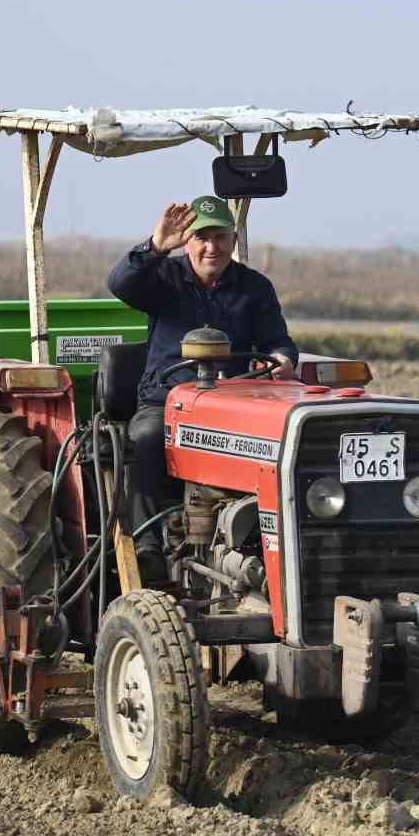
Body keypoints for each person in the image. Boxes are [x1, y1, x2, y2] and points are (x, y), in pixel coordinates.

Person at [107, 196, 298, 582]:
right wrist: (156, 246)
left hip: (233, 406)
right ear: (187, 241)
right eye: (201, 237)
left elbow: (279, 341)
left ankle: (261, 544)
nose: (211, 247)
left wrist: (282, 360)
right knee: (143, 439)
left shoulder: (254, 288)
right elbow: (120, 284)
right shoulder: (164, 278)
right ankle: (146, 548)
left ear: (232, 239)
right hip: (167, 401)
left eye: (219, 237)